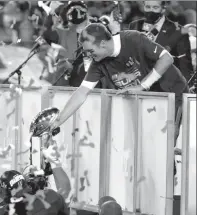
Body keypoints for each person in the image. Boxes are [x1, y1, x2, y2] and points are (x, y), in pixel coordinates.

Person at [51, 23, 188, 143]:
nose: (88, 56)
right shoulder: (99, 62)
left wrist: (142, 86)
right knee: (148, 143)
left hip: (173, 95)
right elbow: (82, 92)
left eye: (90, 51)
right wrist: (58, 121)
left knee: (165, 142)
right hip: (148, 103)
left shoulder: (133, 39)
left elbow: (166, 58)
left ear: (103, 43)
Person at [129, 1, 193, 82]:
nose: (151, 11)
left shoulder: (179, 31)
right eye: (148, 7)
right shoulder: (134, 25)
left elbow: (185, 67)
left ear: (163, 9)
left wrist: (186, 90)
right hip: (137, 83)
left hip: (166, 86)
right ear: (143, 7)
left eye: (155, 8)